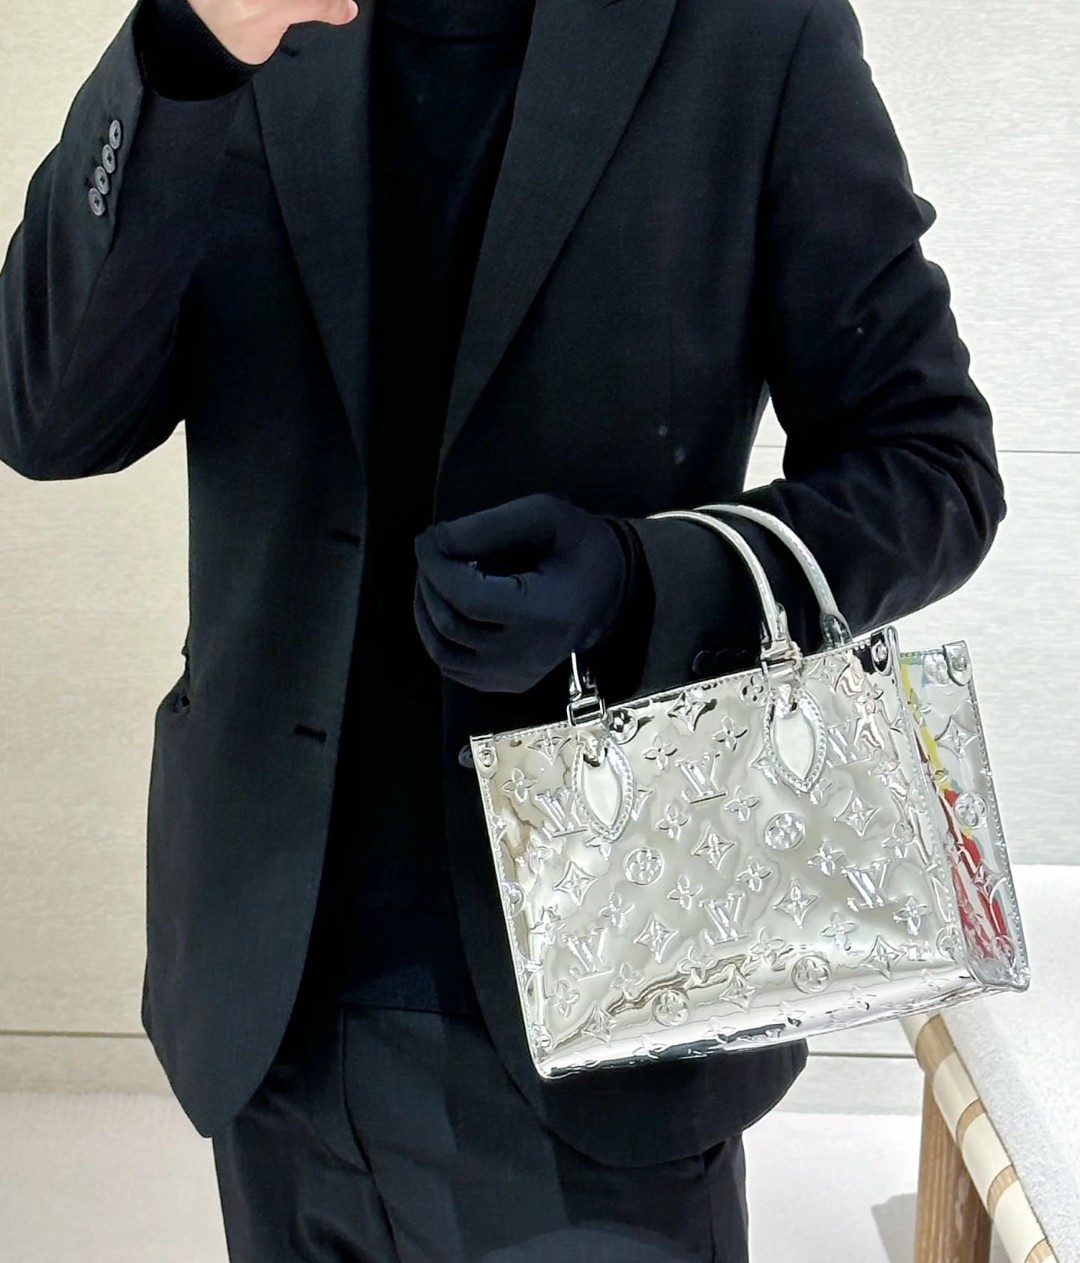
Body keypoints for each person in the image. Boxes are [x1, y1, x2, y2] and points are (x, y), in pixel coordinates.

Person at [0, 0, 1005, 1255]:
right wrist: (182, 55)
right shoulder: (231, 32)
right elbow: (47, 415)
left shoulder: (750, 34)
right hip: (269, 1004)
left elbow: (932, 463)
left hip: (609, 990)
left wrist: (645, 584)